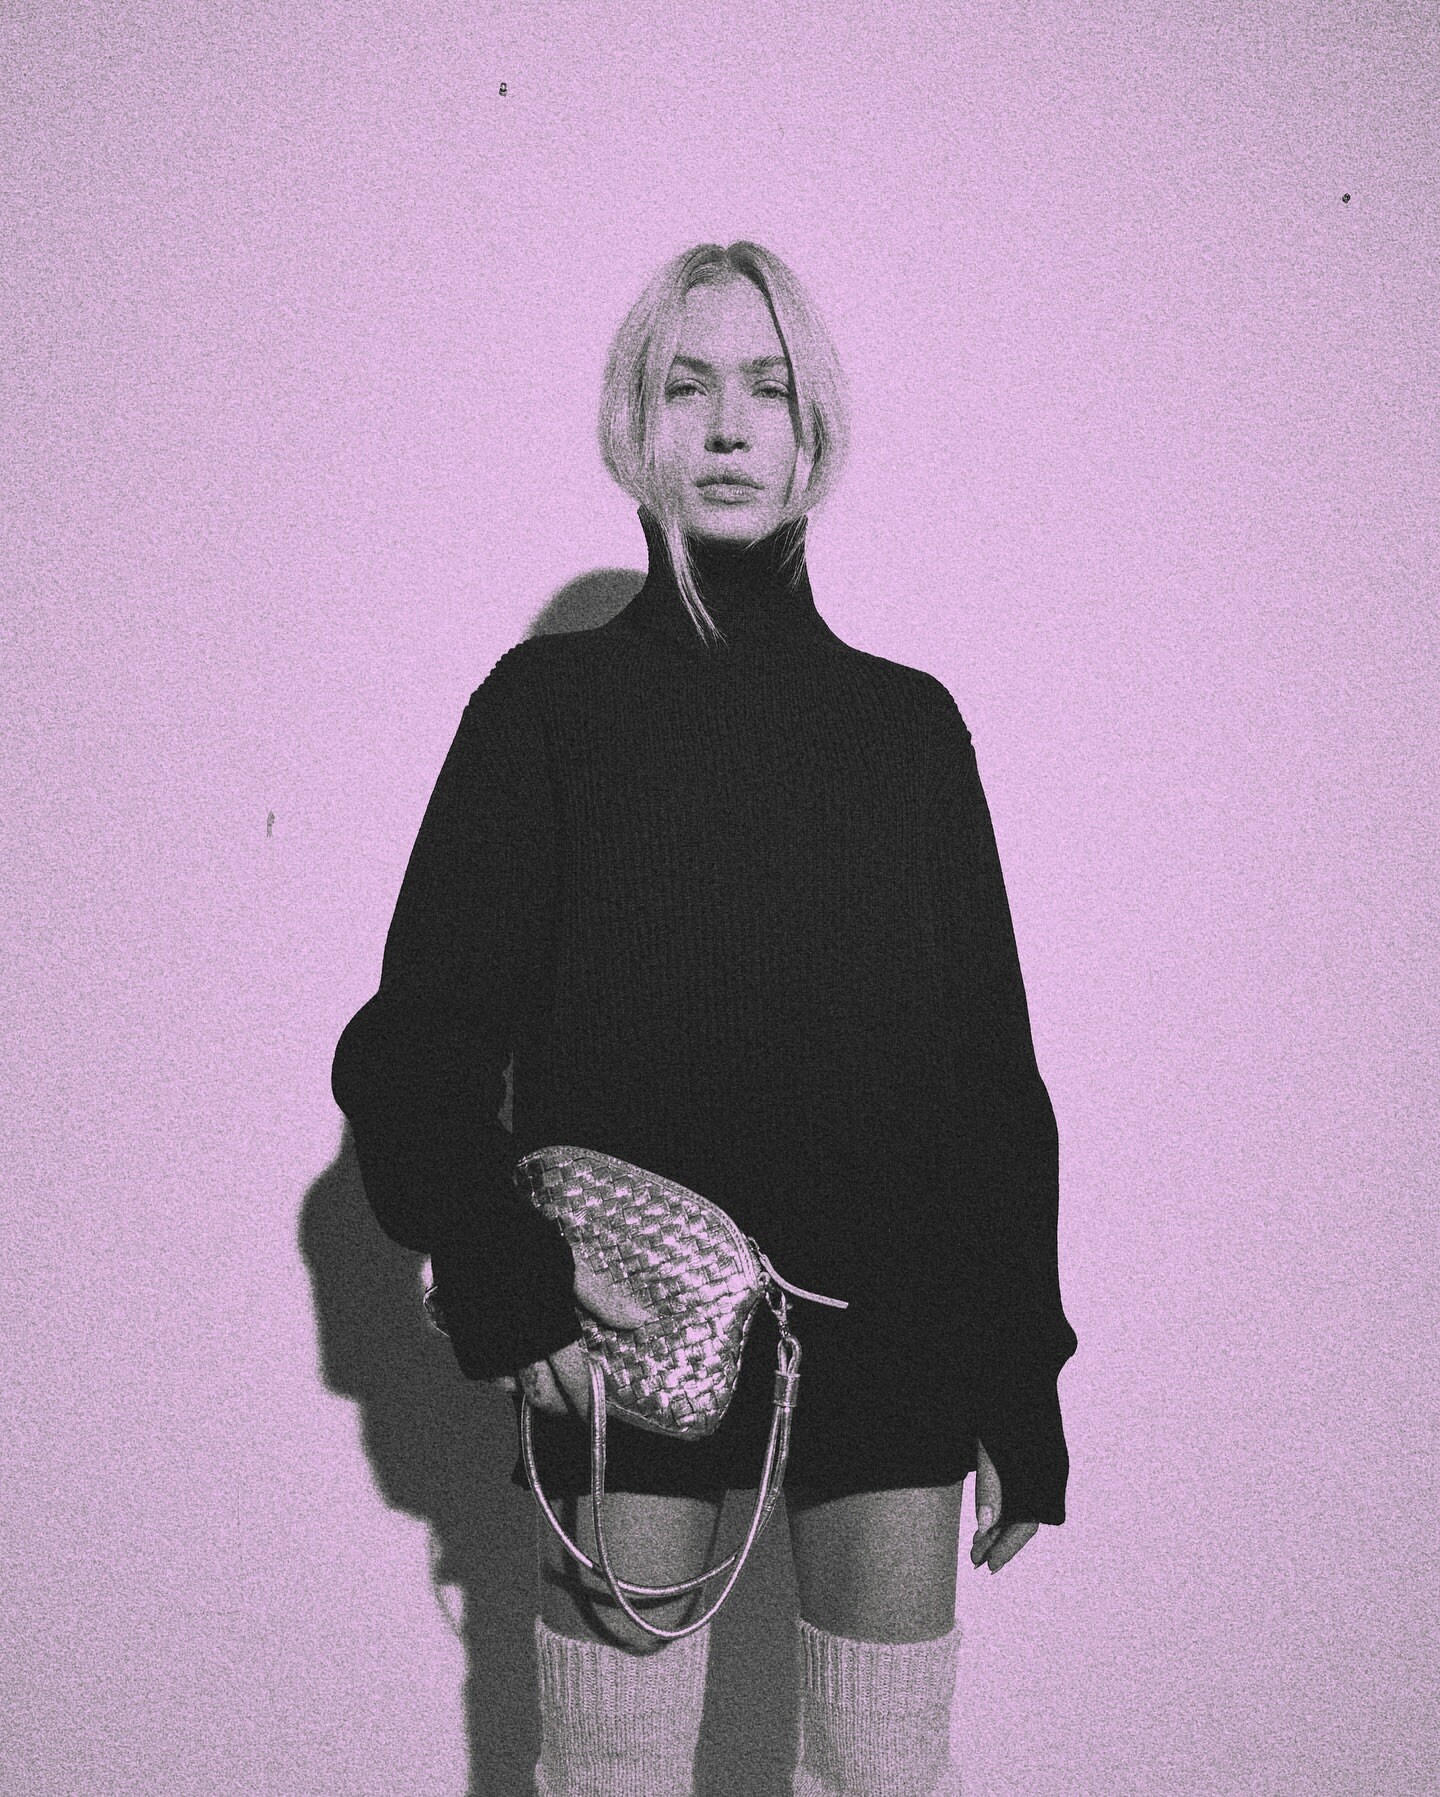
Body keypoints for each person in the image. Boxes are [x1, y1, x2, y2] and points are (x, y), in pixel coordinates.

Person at [332, 240, 1077, 1797]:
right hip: (636, 1311)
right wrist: (505, 1269)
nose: (731, 426)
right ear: (635, 423)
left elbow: (990, 1088)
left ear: (816, 430)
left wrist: (1020, 1370)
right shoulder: (546, 709)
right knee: (610, 1776)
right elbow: (414, 1044)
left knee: (884, 1775)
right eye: (688, 386)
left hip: (896, 1325)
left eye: (769, 388)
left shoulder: (908, 728)